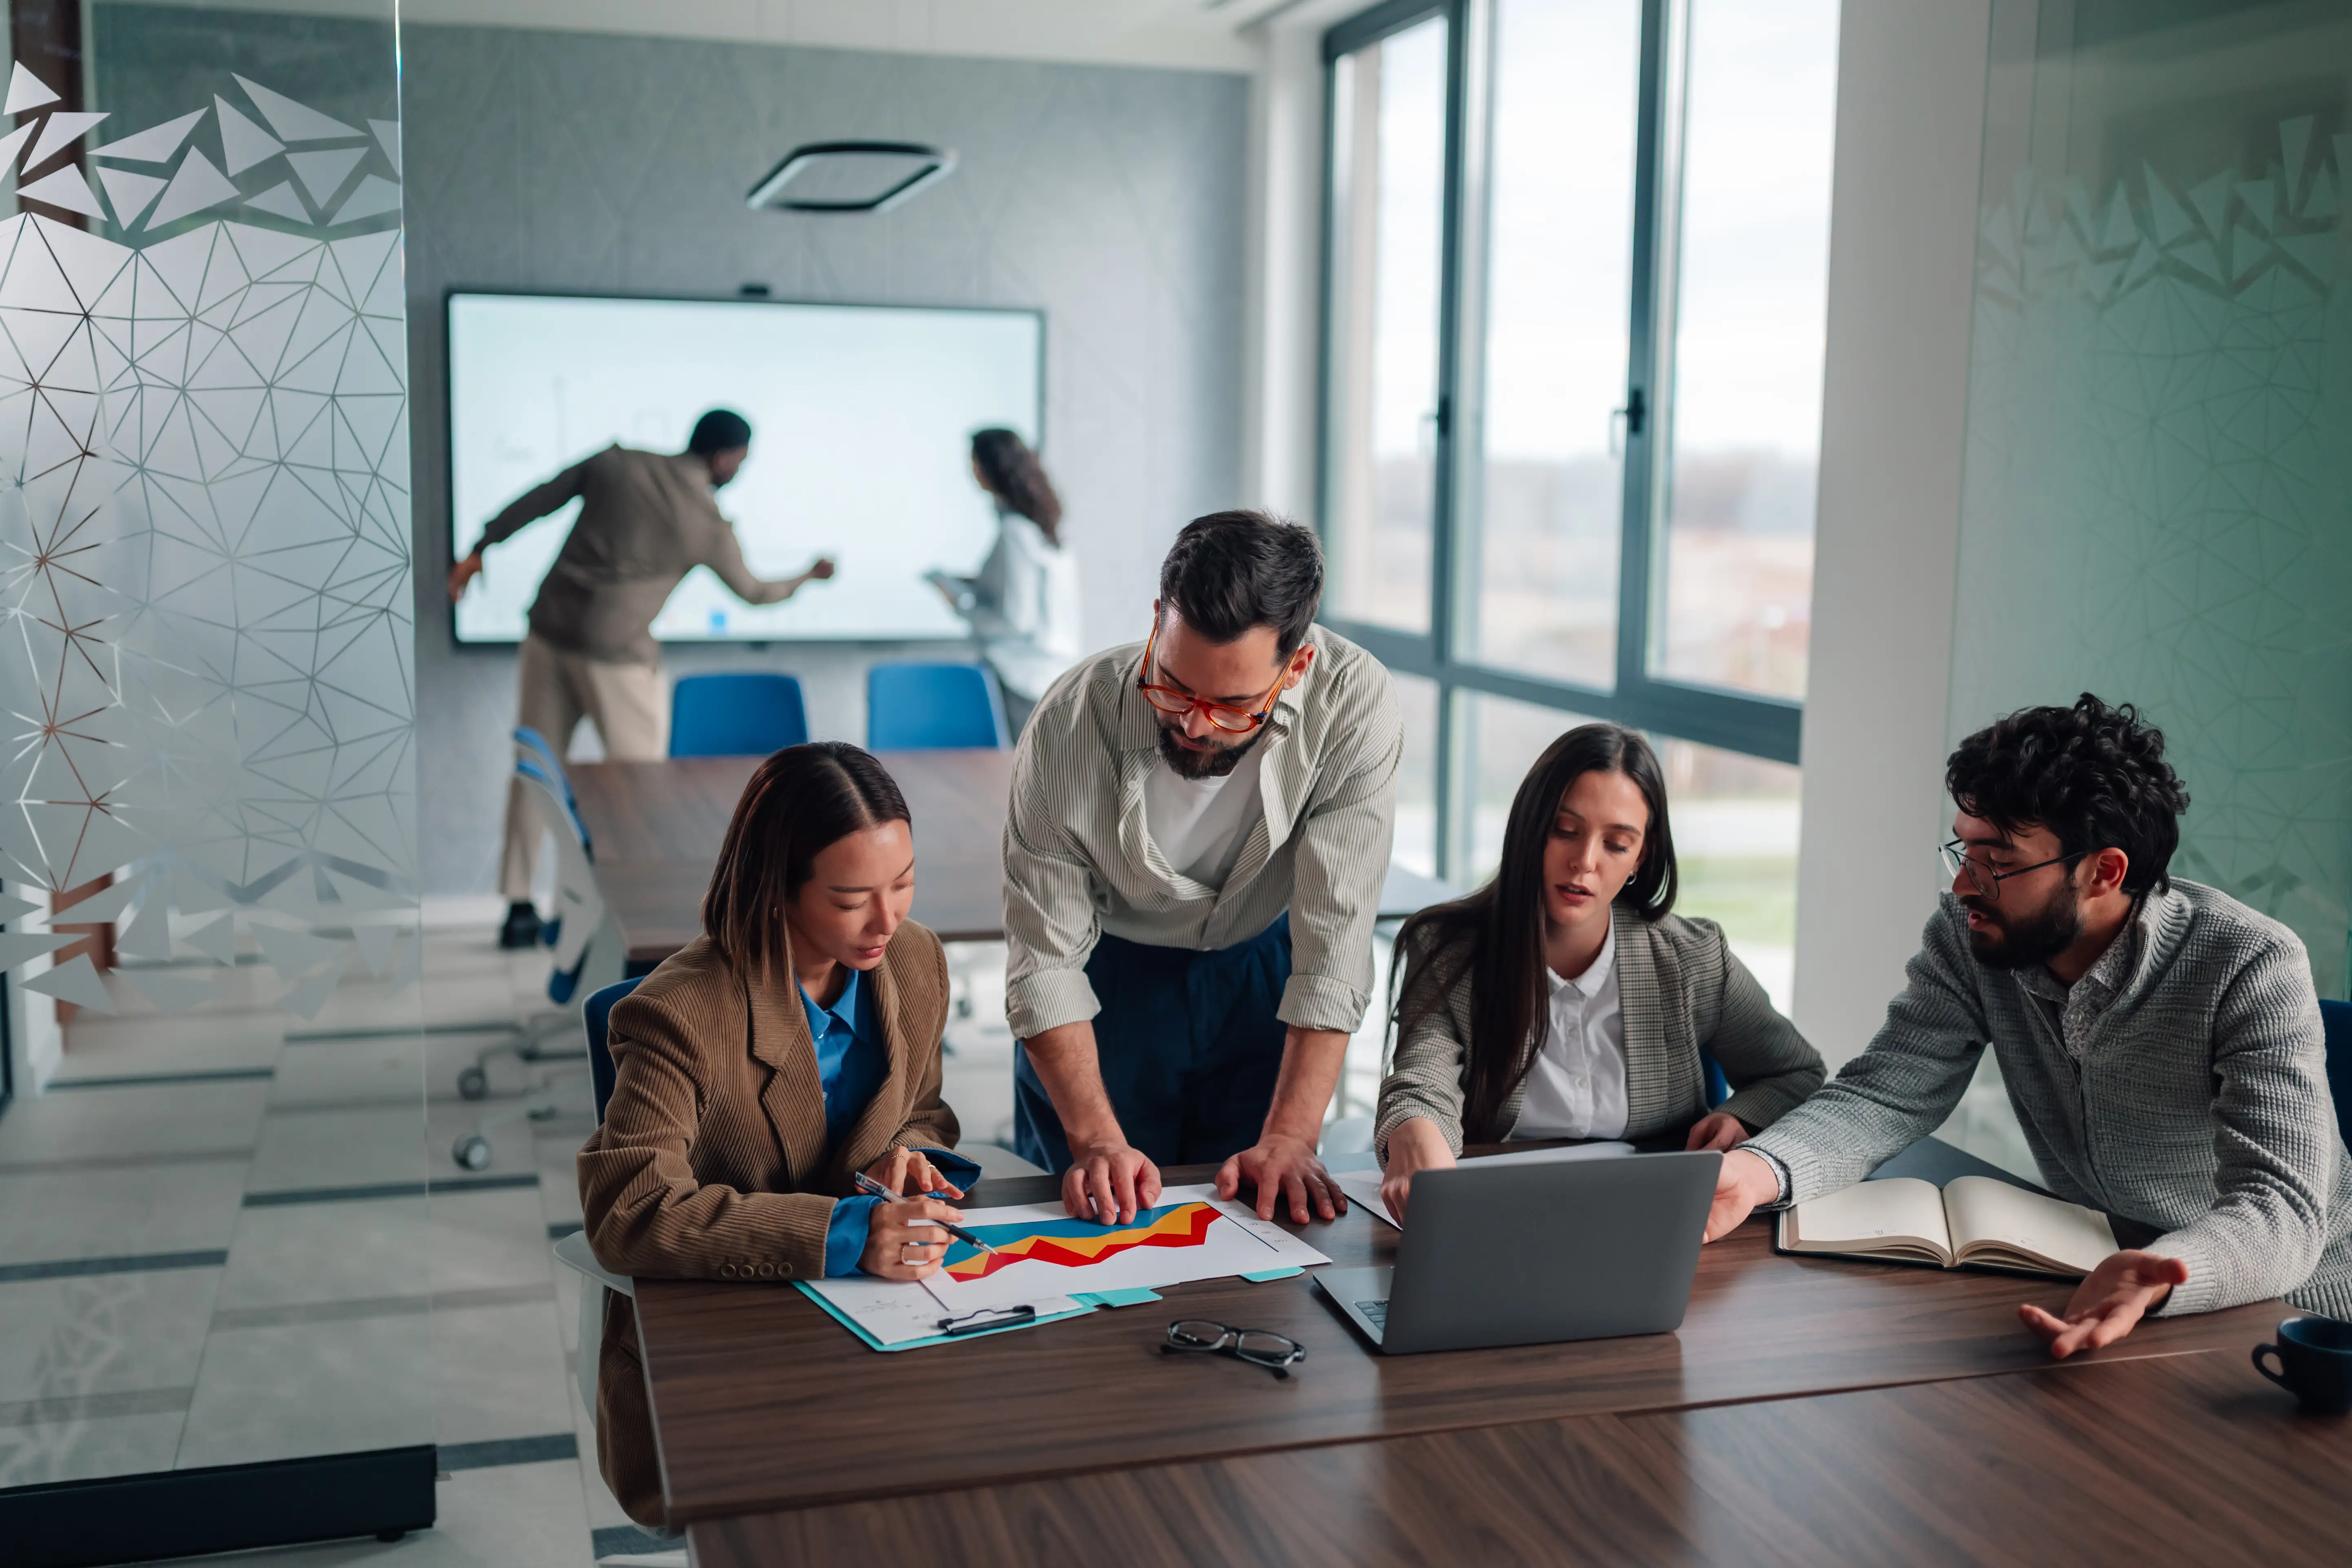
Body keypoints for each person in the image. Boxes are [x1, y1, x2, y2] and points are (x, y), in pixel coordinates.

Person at [1704, 695, 2352, 1355]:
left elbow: (2281, 1206)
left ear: (2103, 871)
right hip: (2093, 1282)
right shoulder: (1969, 937)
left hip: (2295, 1314)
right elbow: (1885, 1090)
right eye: (1962, 849)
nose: (1963, 885)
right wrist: (1754, 1172)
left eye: (1998, 862)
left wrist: (2163, 1275)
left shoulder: (2247, 963)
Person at [576, 742, 976, 1528]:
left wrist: (909, 1160)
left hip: (876, 1324)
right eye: (851, 896)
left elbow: (921, 1110)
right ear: (778, 890)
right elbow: (629, 1210)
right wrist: (843, 1230)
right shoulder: (680, 1013)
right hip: (732, 1342)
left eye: (902, 884)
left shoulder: (916, 960)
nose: (887, 920)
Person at [1003, 509, 1401, 1227]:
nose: (1193, 724)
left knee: (1253, 1227)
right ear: (1158, 623)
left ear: (1297, 665)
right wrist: (1094, 1139)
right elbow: (1044, 964)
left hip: (1261, 981)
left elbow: (1335, 942)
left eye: (1231, 706)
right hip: (1106, 987)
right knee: (1088, 1232)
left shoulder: (1352, 705)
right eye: (1174, 687)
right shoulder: (1069, 722)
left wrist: (1289, 1135)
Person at [1374, 723, 1825, 1221]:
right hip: (1499, 1221)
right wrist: (1415, 1127)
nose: (1584, 862)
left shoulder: (1693, 958)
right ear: (1531, 828)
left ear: (1641, 856)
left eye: (1616, 843)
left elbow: (1795, 1072)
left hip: (1660, 1224)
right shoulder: (1448, 951)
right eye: (1565, 831)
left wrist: (1742, 1116)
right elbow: (1423, 1077)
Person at [451, 409, 837, 948]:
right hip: (616, 658)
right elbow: (755, 592)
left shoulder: (617, 463)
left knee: (535, 769)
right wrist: (808, 575)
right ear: (726, 457)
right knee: (643, 794)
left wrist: (479, 546)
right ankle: (631, 917)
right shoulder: (706, 521)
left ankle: (520, 906)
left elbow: (539, 500)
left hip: (549, 635)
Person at [931, 427, 1082, 735]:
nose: (970, 471)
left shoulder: (1016, 533)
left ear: (991, 467)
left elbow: (1017, 621)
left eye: (974, 462)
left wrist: (960, 603)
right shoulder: (1045, 527)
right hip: (1051, 675)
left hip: (1021, 678)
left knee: (1017, 774)